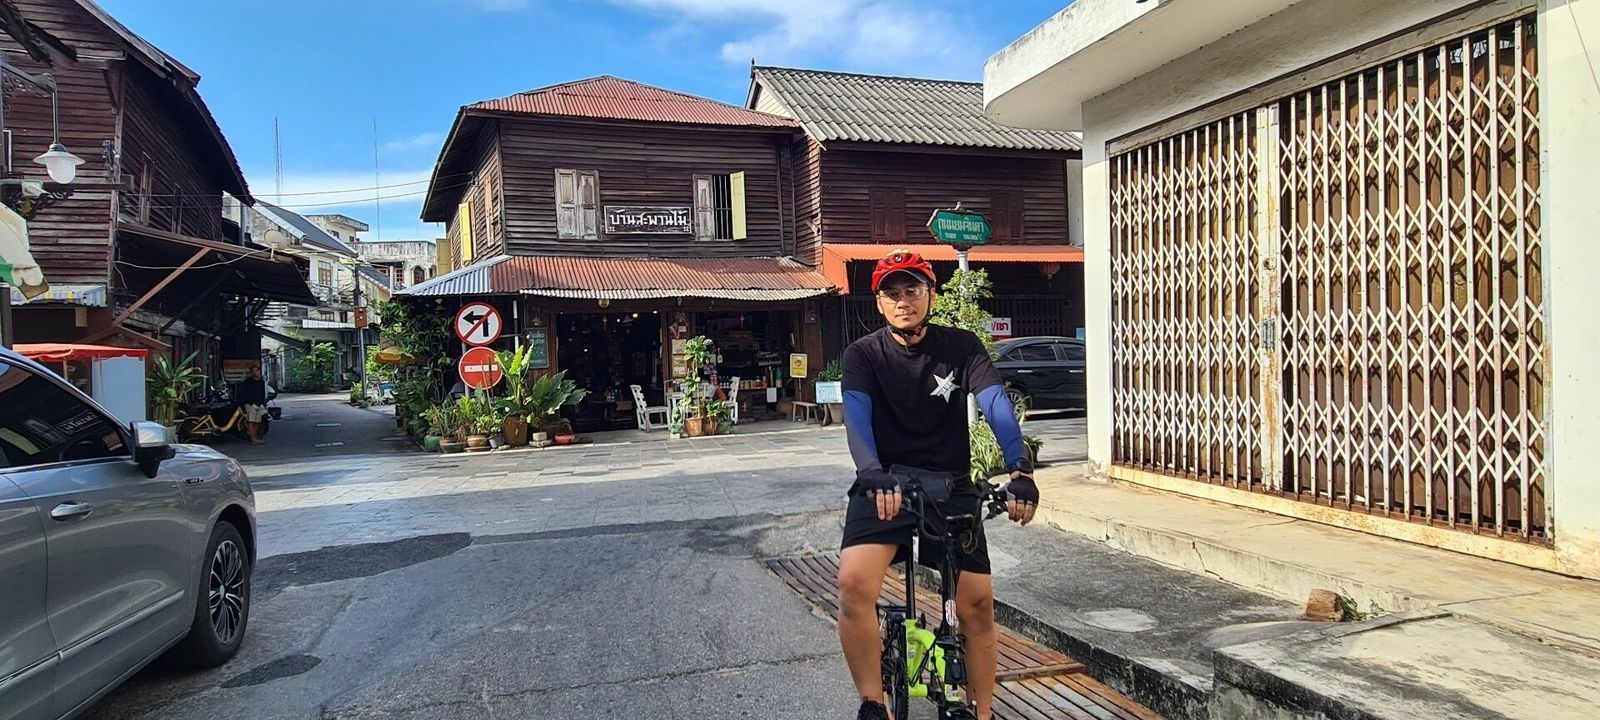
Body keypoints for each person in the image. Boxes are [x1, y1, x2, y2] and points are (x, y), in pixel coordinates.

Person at [838, 249, 1039, 720]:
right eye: (891, 292)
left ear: (930, 294)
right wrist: (871, 471)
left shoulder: (961, 346)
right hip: (884, 482)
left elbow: (996, 404)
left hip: (951, 485)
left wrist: (1020, 469)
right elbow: (856, 419)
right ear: (879, 303)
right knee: (853, 586)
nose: (902, 300)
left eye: (912, 289)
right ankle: (873, 701)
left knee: (977, 604)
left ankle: (982, 711)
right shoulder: (863, 354)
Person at [237, 365, 268, 446]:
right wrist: (248, 402)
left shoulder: (261, 382)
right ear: (251, 373)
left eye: (257, 370)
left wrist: (262, 403)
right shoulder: (247, 382)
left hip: (259, 404)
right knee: (251, 421)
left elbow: (262, 393)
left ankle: (253, 437)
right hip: (250, 404)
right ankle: (253, 439)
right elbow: (243, 394)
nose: (255, 372)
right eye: (254, 371)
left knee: (258, 421)